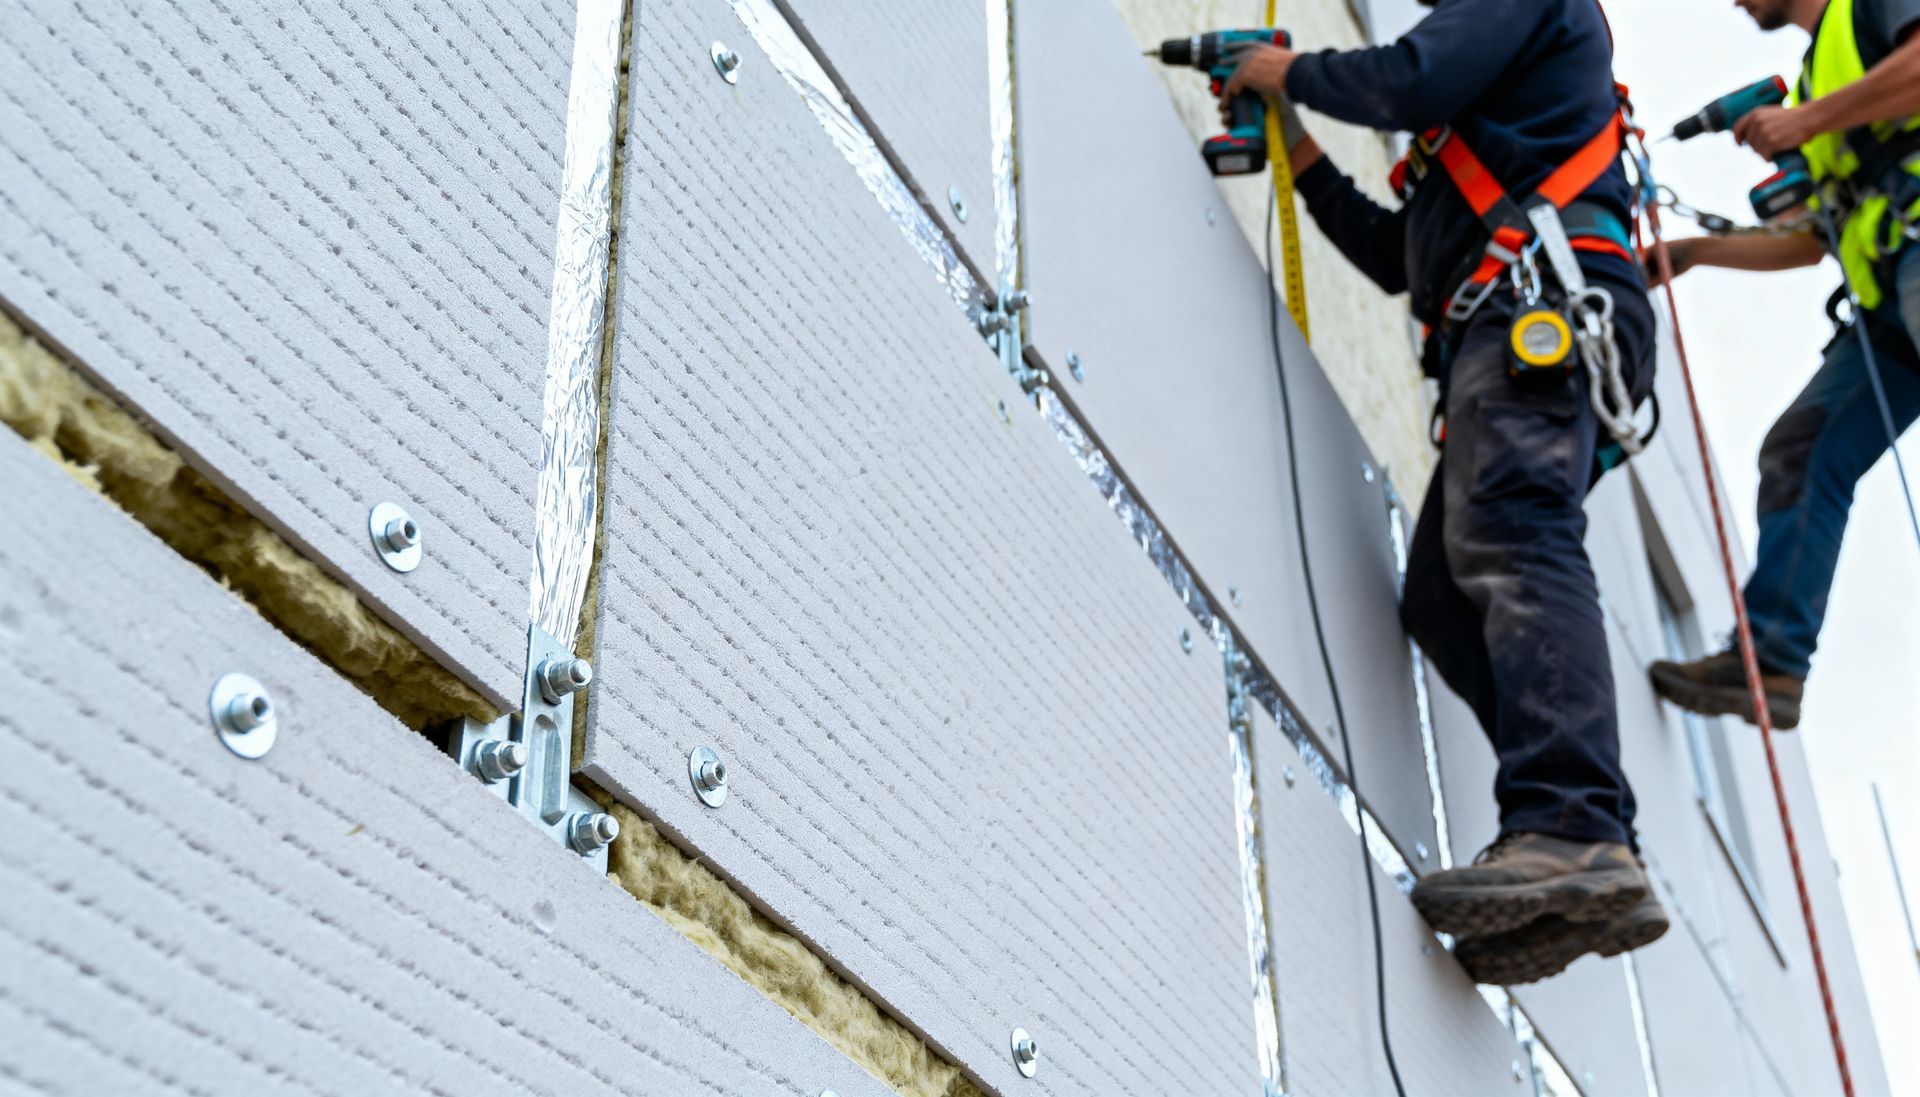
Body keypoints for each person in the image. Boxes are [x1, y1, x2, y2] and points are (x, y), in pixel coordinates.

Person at [1220, 0, 1669, 985]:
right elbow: (1394, 259)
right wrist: (1292, 133)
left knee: (1511, 527)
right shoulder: (1482, 128)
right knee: (1440, 595)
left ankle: (1569, 821)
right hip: (1506, 314)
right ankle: (1590, 840)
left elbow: (1405, 78)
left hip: (1542, 301)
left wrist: (1285, 71)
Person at [1648, 0, 1920, 730]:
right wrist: (1692, 253)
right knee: (1803, 449)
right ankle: (1770, 662)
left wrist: (1806, 122)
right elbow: (1811, 241)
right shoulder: (1813, 83)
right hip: (1892, 301)